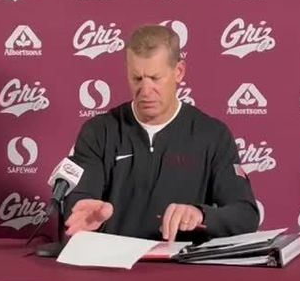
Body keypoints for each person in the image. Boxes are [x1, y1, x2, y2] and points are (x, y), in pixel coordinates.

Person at [64, 24, 260, 241]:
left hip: (182, 267)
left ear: (179, 72)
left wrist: (201, 215)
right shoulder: (98, 132)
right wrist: (85, 217)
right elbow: (78, 206)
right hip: (115, 267)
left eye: (155, 78)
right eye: (137, 79)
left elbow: (246, 215)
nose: (145, 91)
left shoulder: (213, 135)